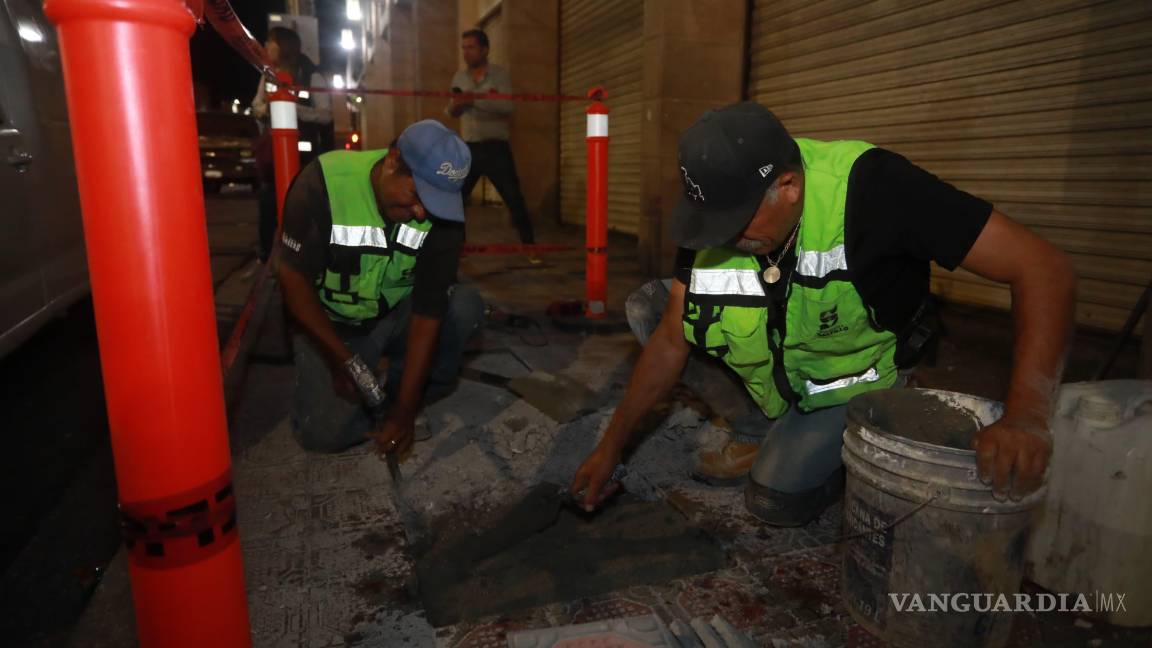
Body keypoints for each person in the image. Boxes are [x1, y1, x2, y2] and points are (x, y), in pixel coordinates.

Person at [570, 102, 1076, 526]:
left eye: (734, 222)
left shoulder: (875, 189)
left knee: (774, 501)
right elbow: (669, 341)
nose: (721, 237)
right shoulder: (723, 215)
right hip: (783, 362)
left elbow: (1044, 268)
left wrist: (1027, 416)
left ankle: (870, 425)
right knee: (655, 308)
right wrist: (612, 447)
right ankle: (760, 426)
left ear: (788, 185)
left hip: (850, 377)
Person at [277, 119, 485, 456]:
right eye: (417, 195)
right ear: (392, 161)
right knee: (324, 434)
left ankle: (400, 390)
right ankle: (363, 384)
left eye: (434, 203)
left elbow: (428, 310)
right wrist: (343, 360)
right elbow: (290, 277)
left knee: (464, 307)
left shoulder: (444, 218)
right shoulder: (323, 184)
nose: (421, 212)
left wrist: (405, 411)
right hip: (332, 321)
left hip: (394, 313)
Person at [252, 26, 334, 263]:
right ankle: (268, 256)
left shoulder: (312, 75)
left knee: (303, 205)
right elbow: (256, 104)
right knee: (269, 204)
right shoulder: (268, 75)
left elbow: (325, 114)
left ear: (284, 46)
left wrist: (290, 108)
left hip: (305, 157)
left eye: (271, 42)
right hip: (273, 157)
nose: (266, 47)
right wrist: (266, 109)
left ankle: (307, 255)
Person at [447, 28, 535, 244]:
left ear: (485, 50)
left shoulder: (500, 75)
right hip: (468, 148)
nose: (466, 53)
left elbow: (506, 106)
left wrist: (474, 100)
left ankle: (530, 247)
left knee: (514, 198)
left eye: (471, 48)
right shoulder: (459, 77)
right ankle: (457, 249)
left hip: (496, 147)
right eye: (464, 48)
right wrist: (458, 105)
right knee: (455, 200)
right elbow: (450, 109)